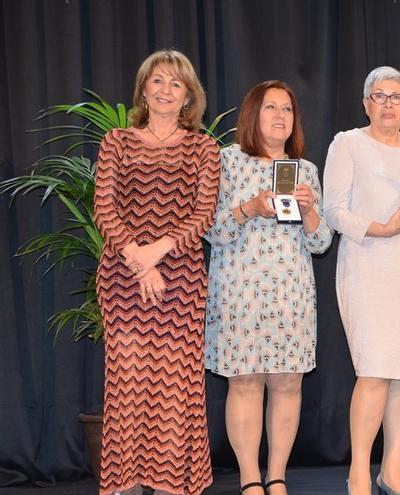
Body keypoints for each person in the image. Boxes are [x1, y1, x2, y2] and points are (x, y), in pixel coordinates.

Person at [93, 49, 219, 495]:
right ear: (144, 89)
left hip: (181, 281)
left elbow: (204, 214)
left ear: (189, 96)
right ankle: (125, 484)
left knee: (172, 389)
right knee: (127, 382)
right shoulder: (117, 141)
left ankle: (168, 484)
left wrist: (158, 253)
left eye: (176, 83)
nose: (166, 90)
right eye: (158, 81)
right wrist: (135, 256)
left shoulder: (204, 147)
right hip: (123, 279)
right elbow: (104, 207)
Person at [323, 66, 400, 495]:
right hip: (368, 264)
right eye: (380, 96)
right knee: (374, 371)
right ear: (366, 104)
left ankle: (392, 471)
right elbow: (334, 211)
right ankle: (359, 469)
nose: (388, 104)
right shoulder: (348, 144)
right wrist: (382, 228)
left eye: (396, 97)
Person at [204, 80, 332, 495]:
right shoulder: (225, 162)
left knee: (288, 383)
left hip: (291, 290)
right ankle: (249, 478)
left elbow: (321, 242)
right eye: (270, 107)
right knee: (245, 381)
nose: (280, 116)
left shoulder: (305, 170)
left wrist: (311, 213)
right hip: (239, 290)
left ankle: (276, 475)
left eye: (288, 110)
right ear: (252, 115)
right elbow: (210, 230)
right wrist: (250, 207)